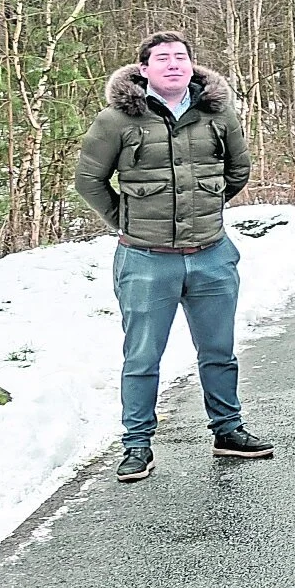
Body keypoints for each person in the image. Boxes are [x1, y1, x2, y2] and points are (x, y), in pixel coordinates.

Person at [73, 31, 272, 484]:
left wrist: (205, 210)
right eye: (162, 59)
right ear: (144, 70)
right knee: (142, 357)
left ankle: (228, 430)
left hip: (211, 255)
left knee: (219, 351)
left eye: (180, 57)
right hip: (145, 260)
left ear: (192, 65)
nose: (173, 64)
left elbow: (238, 170)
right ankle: (137, 445)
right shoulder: (117, 120)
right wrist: (127, 221)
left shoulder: (218, 114)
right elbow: (89, 180)